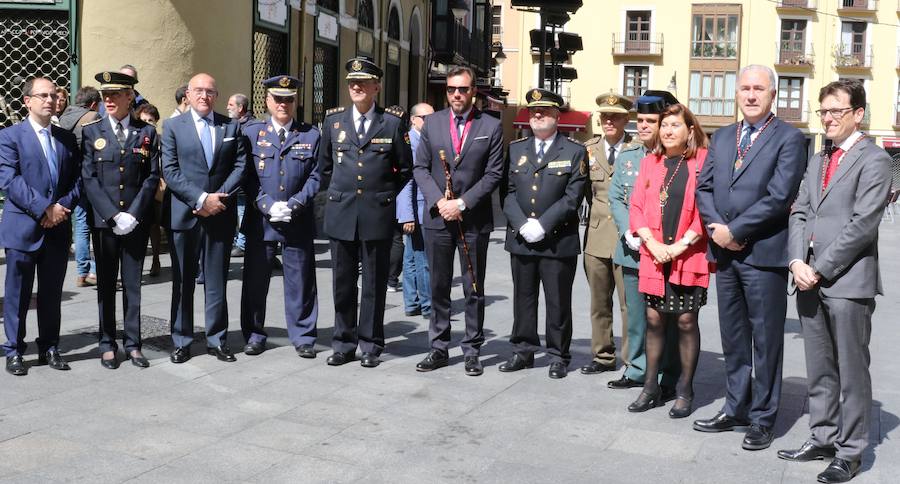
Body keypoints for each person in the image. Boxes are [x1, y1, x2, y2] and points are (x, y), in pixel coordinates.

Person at [779, 80, 890, 484]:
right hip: (807, 277)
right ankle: (823, 437)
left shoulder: (875, 160)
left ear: (858, 114)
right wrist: (796, 261)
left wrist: (820, 268)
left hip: (847, 282)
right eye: (823, 111)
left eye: (835, 111)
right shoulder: (818, 158)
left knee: (852, 370)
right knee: (819, 366)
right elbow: (799, 211)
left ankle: (850, 451)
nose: (827, 118)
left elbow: (863, 224)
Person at [693, 65, 808, 450]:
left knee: (766, 340)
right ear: (737, 93)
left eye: (759, 88)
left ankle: (763, 418)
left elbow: (779, 196)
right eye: (745, 88)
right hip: (726, 256)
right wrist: (718, 231)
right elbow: (704, 187)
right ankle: (735, 407)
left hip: (762, 254)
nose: (751, 95)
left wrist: (736, 231)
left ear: (772, 94)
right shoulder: (724, 136)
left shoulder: (789, 138)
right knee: (733, 337)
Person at [318, 57, 413, 368]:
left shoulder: (392, 123)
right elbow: (325, 167)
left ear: (377, 87)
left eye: (363, 82)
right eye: (352, 82)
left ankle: (371, 344)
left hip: (376, 214)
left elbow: (405, 169)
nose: (356, 86)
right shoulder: (333, 122)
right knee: (343, 283)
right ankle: (343, 343)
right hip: (341, 213)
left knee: (373, 283)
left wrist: (382, 195)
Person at [413, 65, 504, 376]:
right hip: (438, 217)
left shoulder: (491, 126)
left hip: (473, 219)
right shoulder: (433, 123)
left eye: (463, 89)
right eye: (451, 89)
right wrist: (440, 202)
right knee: (438, 285)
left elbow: (494, 173)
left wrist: (462, 203)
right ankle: (438, 347)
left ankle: (472, 350)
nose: (456, 94)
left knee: (473, 287)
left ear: (473, 91)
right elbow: (420, 168)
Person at [627, 103, 711, 418]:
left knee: (687, 321)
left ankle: (685, 390)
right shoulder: (650, 162)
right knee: (654, 320)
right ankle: (650, 387)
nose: (667, 131)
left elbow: (707, 208)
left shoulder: (703, 161)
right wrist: (651, 242)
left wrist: (677, 248)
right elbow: (636, 206)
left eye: (675, 125)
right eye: (664, 125)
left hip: (688, 253)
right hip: (654, 253)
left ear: (690, 130)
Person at [497, 88, 586, 379]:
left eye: (545, 111)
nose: (538, 115)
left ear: (557, 116)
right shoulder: (516, 149)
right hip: (522, 237)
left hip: (557, 240)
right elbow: (507, 193)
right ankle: (523, 351)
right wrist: (522, 224)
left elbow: (573, 197)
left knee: (558, 301)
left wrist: (543, 224)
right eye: (534, 111)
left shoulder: (574, 151)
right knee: (523, 298)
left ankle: (558, 355)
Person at [162, 73, 247, 364]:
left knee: (216, 280)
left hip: (220, 214)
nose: (204, 96)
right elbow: (170, 170)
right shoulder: (173, 126)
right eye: (198, 90)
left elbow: (240, 166)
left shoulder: (231, 126)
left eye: (210, 91)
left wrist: (217, 199)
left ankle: (217, 340)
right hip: (186, 214)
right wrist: (200, 199)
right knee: (183, 281)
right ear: (187, 94)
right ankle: (182, 340)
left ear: (217, 96)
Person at [0, 77, 82, 376]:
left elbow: (77, 179)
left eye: (54, 95)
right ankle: (14, 350)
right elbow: (9, 180)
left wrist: (61, 208)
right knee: (17, 294)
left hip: (57, 228)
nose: (50, 100)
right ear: (27, 101)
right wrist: (45, 207)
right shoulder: (9, 136)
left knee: (51, 293)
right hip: (23, 228)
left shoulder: (66, 138)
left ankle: (49, 346)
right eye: (43, 96)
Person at [81, 71, 160, 369]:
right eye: (105, 95)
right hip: (106, 223)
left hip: (135, 222)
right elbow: (89, 178)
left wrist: (133, 214)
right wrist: (113, 215)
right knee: (105, 284)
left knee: (132, 284)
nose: (109, 99)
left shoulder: (147, 132)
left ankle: (133, 344)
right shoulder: (92, 131)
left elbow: (151, 177)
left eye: (115, 94)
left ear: (130, 97)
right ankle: (107, 343)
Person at [240, 75, 320, 359]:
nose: (283, 104)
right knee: (255, 280)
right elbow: (245, 175)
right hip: (261, 219)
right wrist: (265, 204)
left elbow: (316, 175)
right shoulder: (252, 133)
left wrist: (296, 204)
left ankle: (303, 336)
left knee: (301, 281)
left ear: (295, 101)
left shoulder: (310, 135)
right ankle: (254, 334)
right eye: (278, 99)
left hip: (297, 219)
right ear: (267, 101)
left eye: (288, 99)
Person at [607, 90, 681, 392]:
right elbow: (616, 197)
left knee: (669, 316)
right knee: (636, 316)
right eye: (640, 120)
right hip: (633, 251)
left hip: (665, 252)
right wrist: (628, 230)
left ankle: (667, 373)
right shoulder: (628, 156)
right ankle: (637, 368)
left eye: (651, 121)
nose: (644, 126)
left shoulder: (677, 158)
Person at [581, 91, 632, 375]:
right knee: (599, 303)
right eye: (605, 116)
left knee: (629, 305)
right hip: (597, 238)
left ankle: (632, 360)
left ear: (626, 119)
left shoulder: (638, 150)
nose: (609, 121)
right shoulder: (588, 149)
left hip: (628, 239)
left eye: (615, 116)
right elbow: (584, 192)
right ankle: (602, 356)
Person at [58, 86, 101, 287]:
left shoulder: (63, 117)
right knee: (97, 223)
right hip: (92, 176)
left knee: (81, 223)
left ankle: (82, 272)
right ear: (93, 104)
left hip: (73, 178)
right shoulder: (93, 117)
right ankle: (95, 271)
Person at [397, 102, 434, 318]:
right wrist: (407, 215)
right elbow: (406, 182)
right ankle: (428, 305)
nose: (430, 122)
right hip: (417, 208)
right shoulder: (410, 143)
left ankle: (412, 302)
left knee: (411, 256)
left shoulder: (424, 140)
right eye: (425, 118)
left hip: (419, 207)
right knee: (424, 259)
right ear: (413, 119)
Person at [135, 103, 165, 277]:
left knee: (154, 225)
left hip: (156, 188)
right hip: (138, 188)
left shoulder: (160, 139)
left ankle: (156, 259)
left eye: (151, 120)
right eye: (144, 120)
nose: (147, 123)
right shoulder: (135, 137)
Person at [226, 93, 254, 258]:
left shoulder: (249, 127)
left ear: (240, 108)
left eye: (231, 105)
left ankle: (242, 243)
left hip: (244, 180)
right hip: (234, 179)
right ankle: (239, 240)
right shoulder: (234, 125)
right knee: (238, 212)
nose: (227, 108)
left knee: (243, 211)